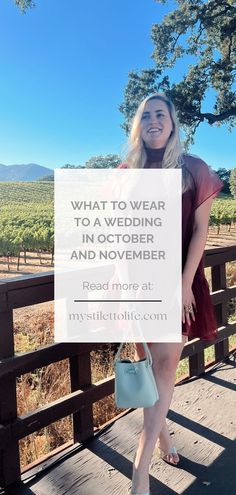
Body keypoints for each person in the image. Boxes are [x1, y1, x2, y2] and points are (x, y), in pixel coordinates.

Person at [118, 93, 223, 495]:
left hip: (178, 282)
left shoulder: (193, 168)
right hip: (139, 283)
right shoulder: (127, 171)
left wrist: (183, 285)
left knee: (163, 369)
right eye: (146, 115)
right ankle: (162, 439)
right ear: (139, 126)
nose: (154, 120)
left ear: (173, 123)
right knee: (149, 366)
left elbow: (200, 231)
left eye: (161, 114)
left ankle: (140, 470)